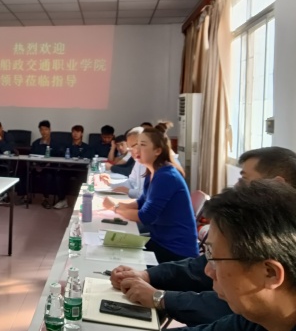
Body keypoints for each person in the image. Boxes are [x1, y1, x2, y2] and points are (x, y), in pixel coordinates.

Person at [109, 146, 296, 327]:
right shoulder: (253, 318)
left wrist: (159, 297)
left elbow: (222, 307)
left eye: (244, 179)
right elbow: (200, 268)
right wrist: (147, 275)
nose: (237, 186)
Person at [181, 180, 296, 331]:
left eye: (214, 258)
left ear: (270, 273)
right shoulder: (255, 319)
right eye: (208, 252)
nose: (208, 271)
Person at [102, 126, 199, 263]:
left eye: (142, 145)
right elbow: (140, 203)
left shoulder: (166, 176)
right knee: (111, 248)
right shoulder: (152, 172)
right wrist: (118, 203)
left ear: (157, 150)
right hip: (160, 241)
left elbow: (145, 216)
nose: (135, 150)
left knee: (117, 258)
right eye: (135, 145)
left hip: (176, 251)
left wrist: (115, 208)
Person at [102, 127, 144, 198]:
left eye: (133, 146)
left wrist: (128, 192)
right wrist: (110, 184)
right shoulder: (138, 161)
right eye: (129, 147)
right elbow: (131, 182)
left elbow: (146, 195)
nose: (130, 151)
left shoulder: (156, 167)